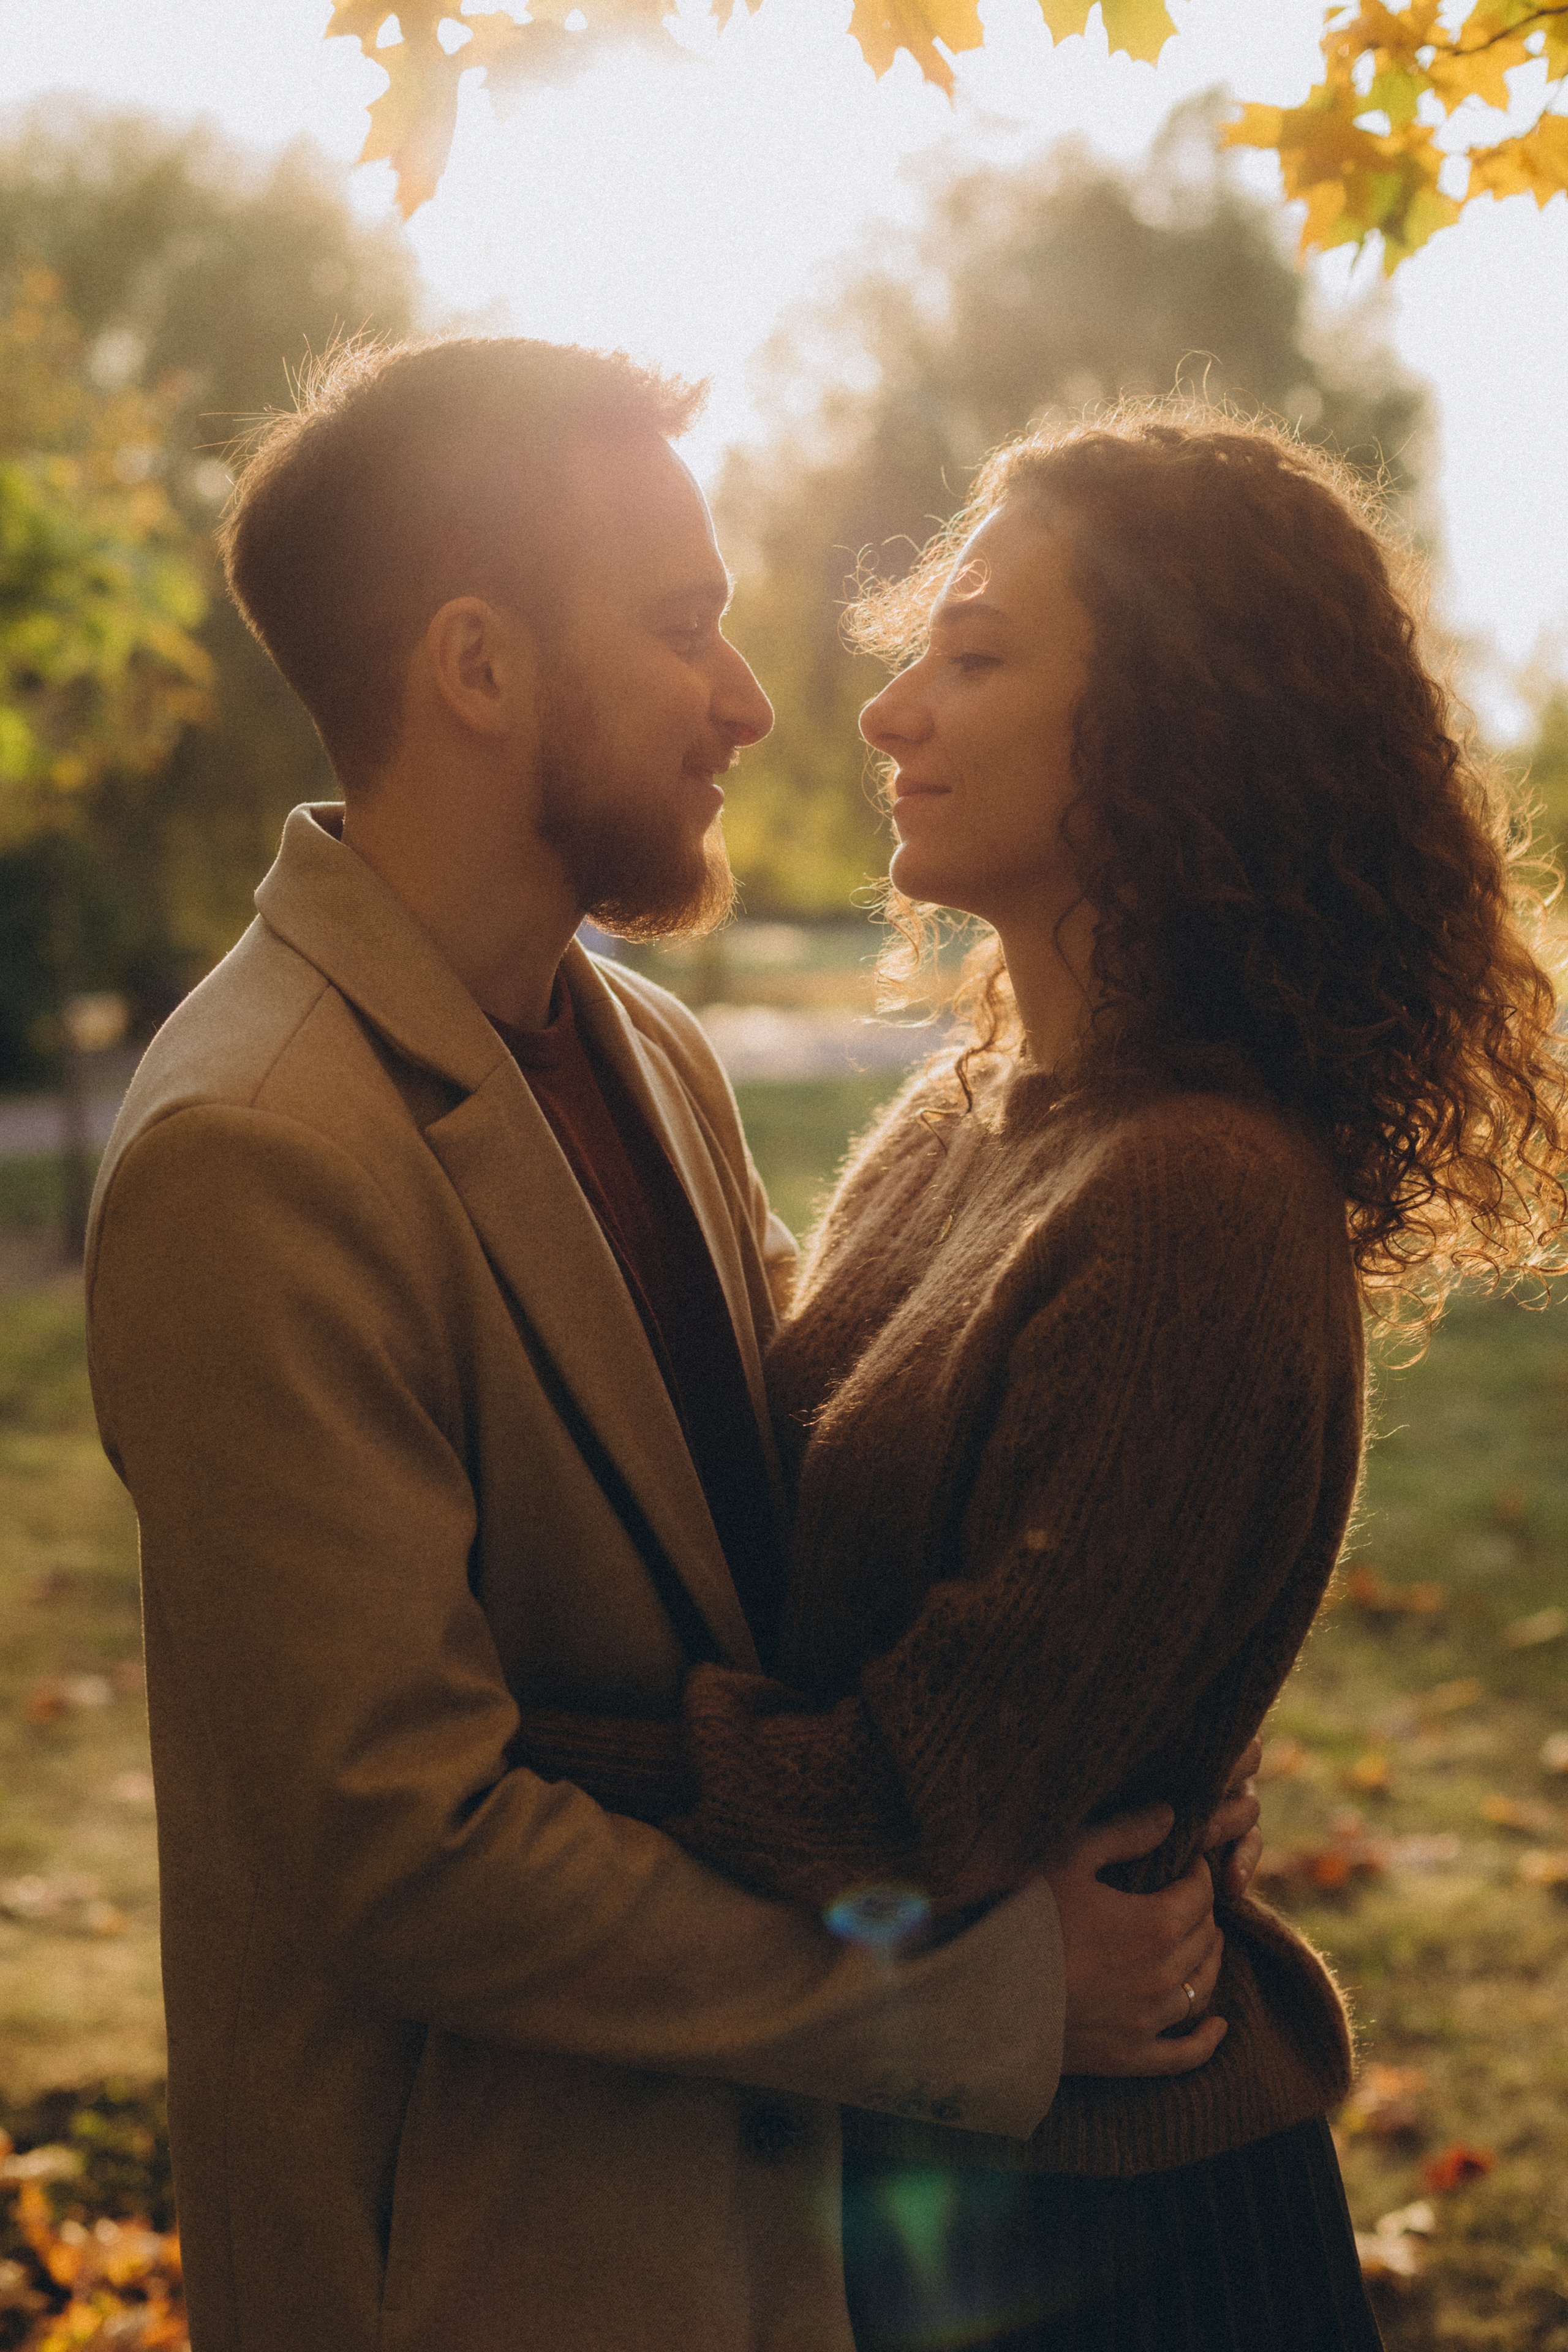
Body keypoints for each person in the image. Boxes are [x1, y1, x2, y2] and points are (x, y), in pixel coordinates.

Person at [83, 342, 1258, 2352]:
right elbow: (412, 1855)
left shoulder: (645, 1050)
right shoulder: (253, 1154)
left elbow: (777, 1532)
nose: (752, 701)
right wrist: (988, 1997)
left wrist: (1113, 1706)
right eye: (683, 625)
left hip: (745, 2244)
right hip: (480, 2268)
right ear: (478, 666)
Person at [514, 409, 1568, 2350]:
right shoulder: (968, 1120)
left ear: (1179, 725)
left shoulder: (1199, 1202)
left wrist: (496, 1759)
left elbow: (922, 1798)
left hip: (1122, 2237)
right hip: (944, 2162)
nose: (891, 710)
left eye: (979, 656)